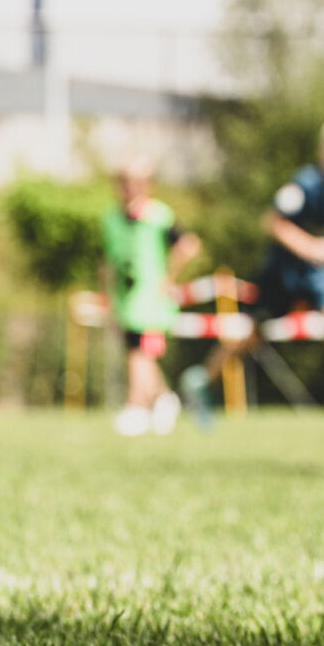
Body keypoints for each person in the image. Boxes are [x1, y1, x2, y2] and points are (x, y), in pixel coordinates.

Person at [179, 114, 324, 432]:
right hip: (285, 273)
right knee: (250, 336)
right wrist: (311, 247)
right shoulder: (305, 183)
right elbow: (274, 222)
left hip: (318, 274)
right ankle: (200, 380)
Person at [101, 157, 200, 437]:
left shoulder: (159, 216)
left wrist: (169, 278)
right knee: (137, 351)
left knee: (140, 351)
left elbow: (187, 244)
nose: (130, 188)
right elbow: (108, 260)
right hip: (125, 297)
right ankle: (163, 398)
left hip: (151, 300)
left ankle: (136, 407)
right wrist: (107, 294)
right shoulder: (111, 219)